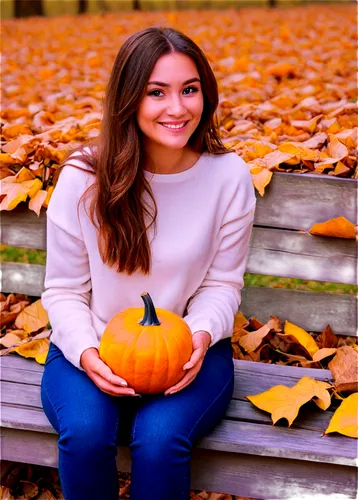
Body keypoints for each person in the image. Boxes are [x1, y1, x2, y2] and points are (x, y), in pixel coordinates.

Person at [40, 26, 256, 500]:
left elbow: (222, 284)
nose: (177, 108)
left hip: (190, 353)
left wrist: (199, 337)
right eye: (156, 92)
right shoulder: (83, 179)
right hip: (90, 346)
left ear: (206, 94)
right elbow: (63, 291)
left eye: (190, 90)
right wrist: (87, 353)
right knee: (84, 433)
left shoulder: (229, 177)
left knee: (158, 442)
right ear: (128, 99)